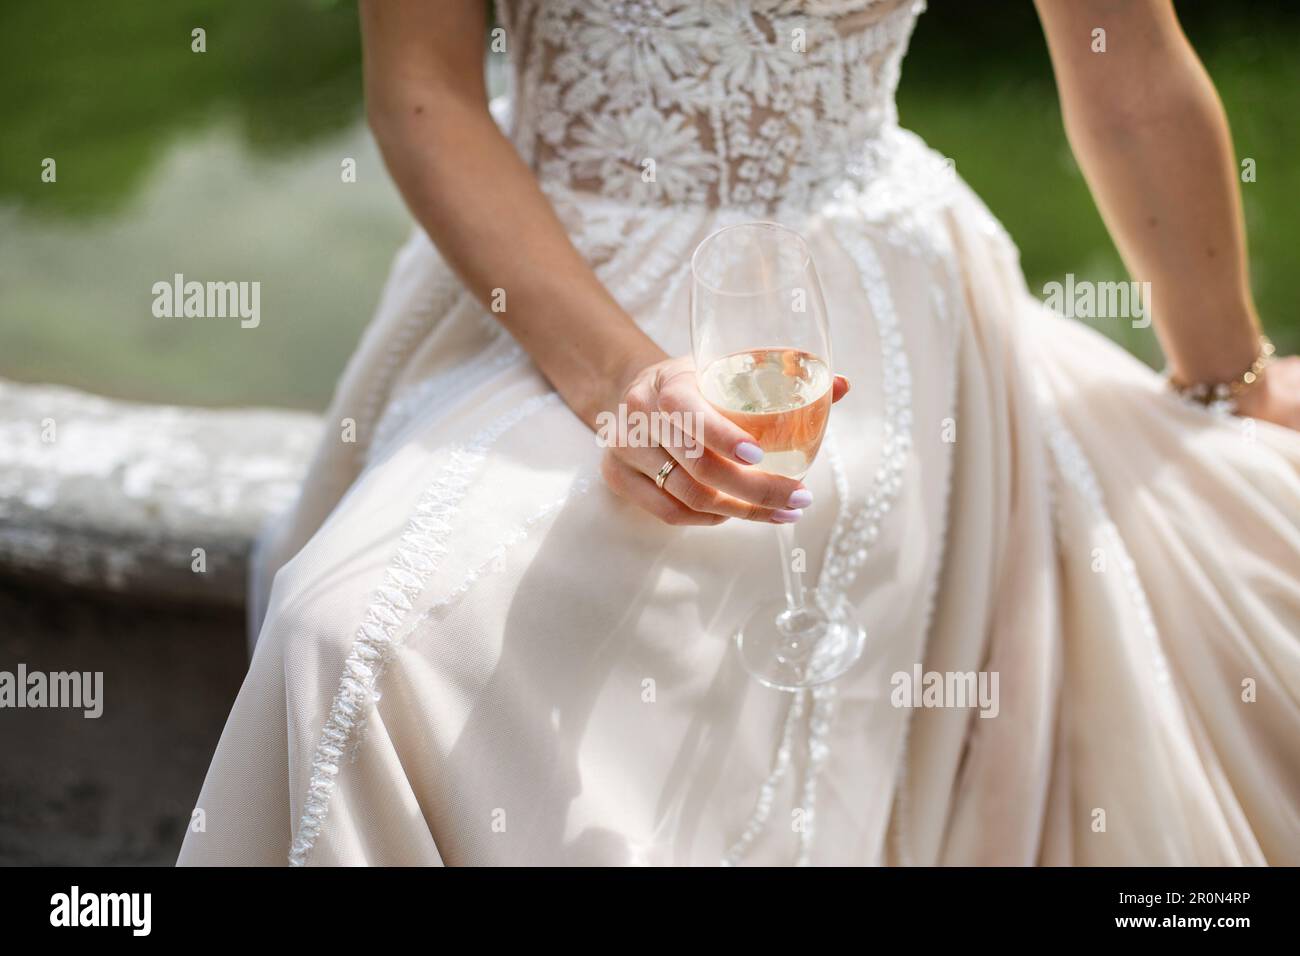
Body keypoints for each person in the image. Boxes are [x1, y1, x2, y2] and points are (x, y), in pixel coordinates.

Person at [179, 0, 1300, 866]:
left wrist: (1227, 377)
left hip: (869, 316)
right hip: (542, 289)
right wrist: (626, 382)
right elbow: (422, 93)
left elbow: (1129, 75)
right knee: (348, 636)